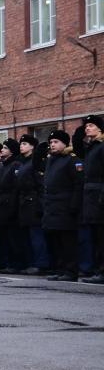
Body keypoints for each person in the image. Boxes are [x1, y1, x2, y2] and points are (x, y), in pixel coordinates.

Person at [42, 130, 84, 282]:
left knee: (68, 241)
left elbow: (78, 184)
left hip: (65, 207)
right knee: (56, 241)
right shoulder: (51, 160)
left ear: (64, 144)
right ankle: (60, 269)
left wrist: (74, 205)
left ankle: (71, 271)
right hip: (52, 206)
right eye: (51, 142)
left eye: (56, 142)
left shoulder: (72, 160)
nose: (52, 145)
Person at [16, 135, 49, 275]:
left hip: (33, 202)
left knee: (37, 236)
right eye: (21, 144)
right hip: (24, 202)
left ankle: (41, 264)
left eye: (25, 144)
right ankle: (31, 262)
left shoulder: (34, 162)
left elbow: (40, 186)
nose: (21, 146)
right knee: (28, 237)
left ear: (32, 147)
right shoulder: (23, 163)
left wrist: (40, 205)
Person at [78, 115, 104, 284]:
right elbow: (77, 142)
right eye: (86, 126)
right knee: (95, 236)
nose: (87, 128)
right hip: (90, 197)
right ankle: (98, 269)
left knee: (101, 236)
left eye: (91, 125)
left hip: (99, 196)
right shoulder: (91, 147)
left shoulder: (101, 147)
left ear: (100, 129)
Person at [0, 138, 25, 274]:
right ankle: (9, 262)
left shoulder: (15, 165)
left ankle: (17, 263)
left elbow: (16, 187)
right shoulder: (4, 165)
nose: (2, 150)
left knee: (14, 237)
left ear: (12, 151)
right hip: (2, 204)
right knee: (6, 237)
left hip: (11, 205)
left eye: (5, 148)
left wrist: (13, 206)